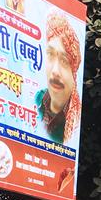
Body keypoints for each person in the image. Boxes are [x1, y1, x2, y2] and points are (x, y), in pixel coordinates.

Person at [35, 11, 82, 145]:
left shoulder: (74, 123)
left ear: (74, 70)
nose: (55, 71)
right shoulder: (37, 99)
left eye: (64, 61)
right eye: (50, 54)